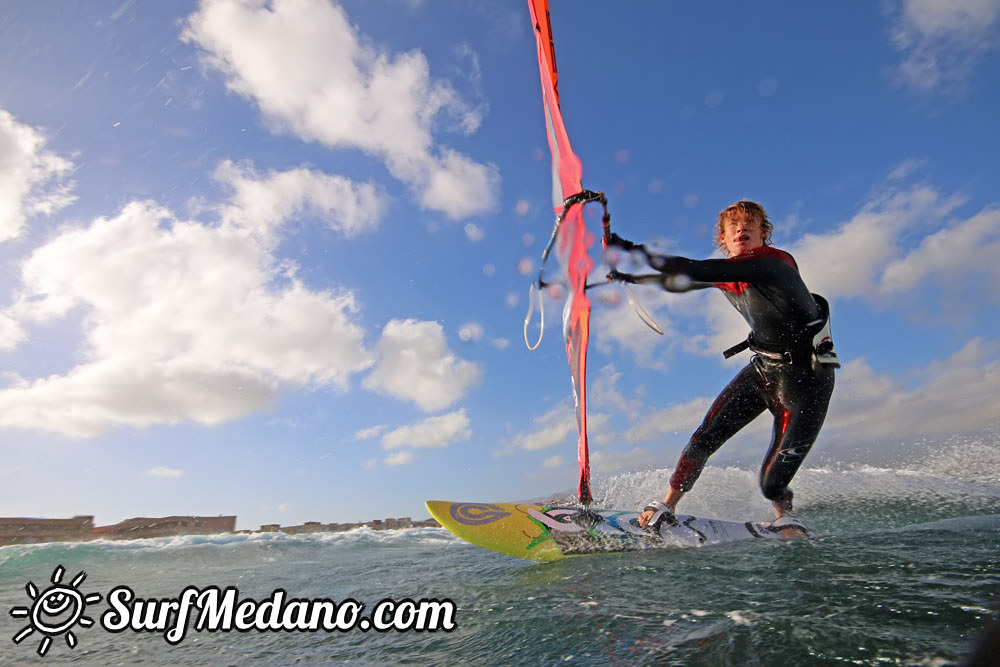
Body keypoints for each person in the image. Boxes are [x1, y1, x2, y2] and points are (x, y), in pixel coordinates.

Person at [605, 200, 838, 528]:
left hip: (804, 382)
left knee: (771, 483)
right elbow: (684, 279)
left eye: (749, 224)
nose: (741, 229)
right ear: (724, 239)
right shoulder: (732, 274)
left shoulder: (774, 266)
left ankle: (785, 515)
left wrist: (630, 248)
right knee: (702, 440)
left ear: (763, 234)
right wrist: (631, 277)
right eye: (733, 227)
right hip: (764, 371)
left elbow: (696, 269)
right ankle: (666, 504)